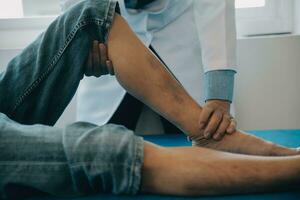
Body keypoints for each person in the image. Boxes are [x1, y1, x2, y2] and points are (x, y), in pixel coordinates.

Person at [0, 0, 299, 199]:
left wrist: (219, 93)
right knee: (101, 149)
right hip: (117, 31)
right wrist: (81, 55)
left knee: (91, 14)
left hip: (178, 24)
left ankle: (206, 133)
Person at [61, 0, 237, 139]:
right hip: (111, 27)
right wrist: (84, 46)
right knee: (94, 153)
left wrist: (219, 91)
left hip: (179, 21)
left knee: (208, 134)